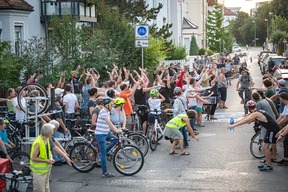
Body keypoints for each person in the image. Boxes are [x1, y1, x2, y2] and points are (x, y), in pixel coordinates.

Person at [227, 100, 280, 171]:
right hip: (271, 128)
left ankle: (269, 165)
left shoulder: (255, 114)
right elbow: (246, 119)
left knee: (265, 147)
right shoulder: (257, 111)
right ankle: (268, 162)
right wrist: (233, 124)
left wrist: (233, 126)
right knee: (265, 146)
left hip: (272, 129)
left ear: (248, 108)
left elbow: (245, 121)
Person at [94, 98, 122, 178]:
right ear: (107, 105)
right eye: (110, 105)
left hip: (106, 133)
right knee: (103, 155)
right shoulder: (103, 112)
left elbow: (108, 123)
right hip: (100, 135)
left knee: (116, 140)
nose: (112, 106)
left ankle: (106, 152)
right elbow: (109, 122)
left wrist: (112, 130)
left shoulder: (107, 111)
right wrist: (116, 130)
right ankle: (105, 172)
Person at [30, 123, 55, 192]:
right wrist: (47, 161)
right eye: (51, 132)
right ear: (48, 132)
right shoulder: (38, 142)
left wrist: (51, 157)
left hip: (45, 170)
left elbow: (48, 151)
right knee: (40, 190)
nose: (52, 133)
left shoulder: (46, 139)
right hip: (39, 172)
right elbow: (33, 158)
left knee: (46, 189)